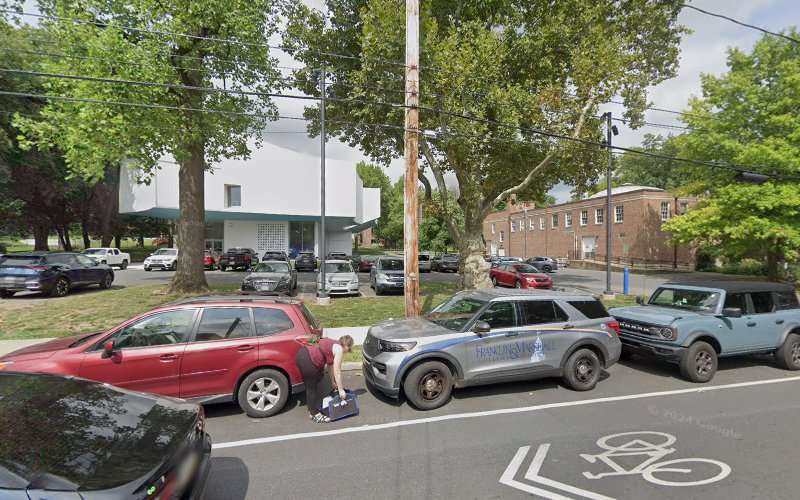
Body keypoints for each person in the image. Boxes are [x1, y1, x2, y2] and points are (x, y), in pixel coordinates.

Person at [295, 334, 354, 423]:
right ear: (346, 346)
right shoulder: (339, 349)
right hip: (308, 360)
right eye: (349, 349)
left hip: (302, 353)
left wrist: (333, 382)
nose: (347, 351)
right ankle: (314, 414)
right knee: (311, 387)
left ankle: (312, 408)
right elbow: (337, 372)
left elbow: (330, 366)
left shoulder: (333, 343)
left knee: (317, 378)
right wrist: (341, 390)